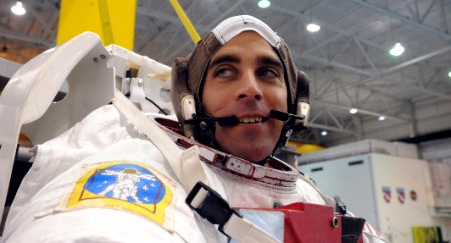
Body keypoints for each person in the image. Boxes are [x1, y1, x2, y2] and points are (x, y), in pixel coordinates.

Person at [2, 15, 383, 242]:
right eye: (225, 72)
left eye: (267, 72)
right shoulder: (139, 165)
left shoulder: (304, 192)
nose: (250, 89)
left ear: (294, 101)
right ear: (191, 101)